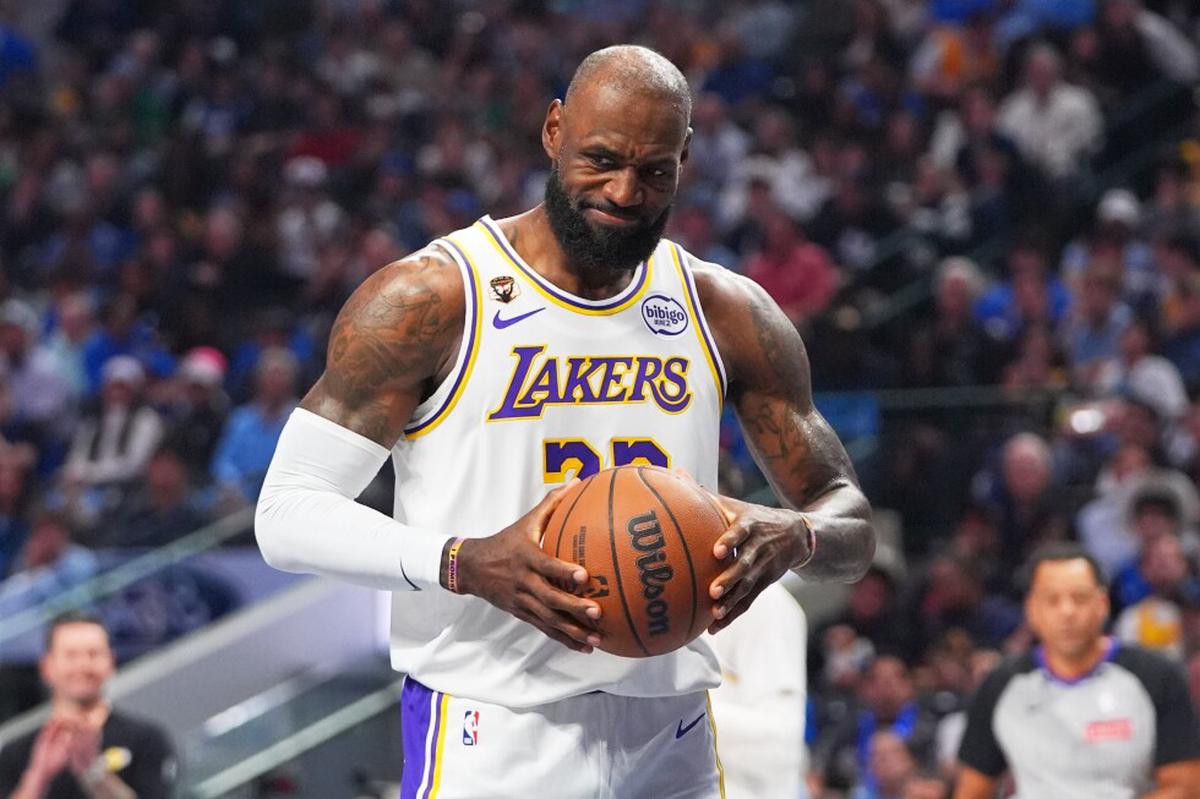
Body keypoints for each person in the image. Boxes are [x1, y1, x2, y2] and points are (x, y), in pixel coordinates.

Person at [255, 45, 874, 797]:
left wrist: (797, 533)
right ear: (554, 130)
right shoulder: (435, 297)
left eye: (654, 171)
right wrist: (463, 561)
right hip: (493, 722)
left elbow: (849, 518)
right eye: (601, 160)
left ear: (685, 158)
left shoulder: (726, 311)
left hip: (672, 729)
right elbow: (285, 513)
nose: (624, 191)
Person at [954, 543, 1200, 798]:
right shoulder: (1001, 684)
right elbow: (972, 790)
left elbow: (1187, 787)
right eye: (1052, 600)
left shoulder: (1156, 677)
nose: (1067, 612)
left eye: (1080, 598)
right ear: (1031, 609)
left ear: (1102, 603)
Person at [0, 612, 176, 799]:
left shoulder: (146, 740)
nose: (83, 665)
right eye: (71, 655)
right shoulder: (16, 754)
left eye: (93, 654)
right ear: (47, 666)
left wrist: (92, 769)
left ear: (110, 662)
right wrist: (39, 776)